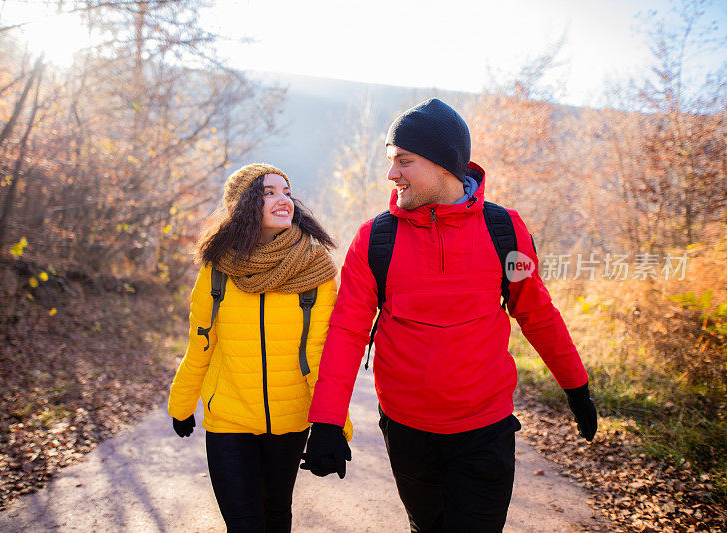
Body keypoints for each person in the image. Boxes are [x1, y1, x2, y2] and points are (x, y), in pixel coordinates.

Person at [300, 98, 597, 532]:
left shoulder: (506, 230)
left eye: (404, 161)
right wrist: (326, 421)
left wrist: (576, 386)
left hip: (485, 429)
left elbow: (536, 312)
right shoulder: (374, 239)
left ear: (445, 165)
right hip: (406, 431)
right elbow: (347, 331)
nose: (391, 173)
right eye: (390, 160)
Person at [168, 163, 352, 533]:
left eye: (286, 192)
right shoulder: (217, 270)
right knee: (243, 523)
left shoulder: (314, 270)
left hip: (290, 417)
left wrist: (333, 425)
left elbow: (319, 352)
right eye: (269, 192)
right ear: (244, 205)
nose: (283, 200)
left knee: (276, 516)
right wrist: (181, 403)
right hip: (229, 419)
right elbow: (202, 344)